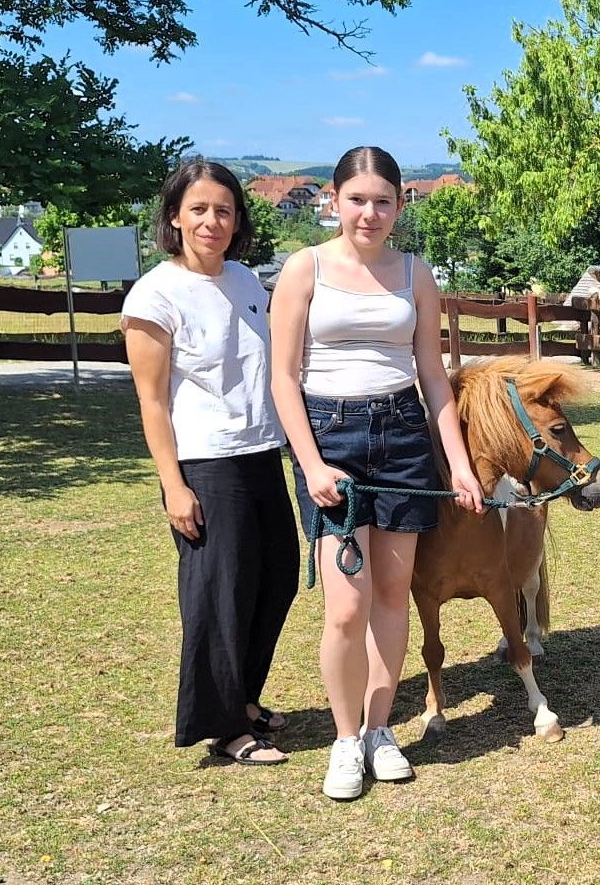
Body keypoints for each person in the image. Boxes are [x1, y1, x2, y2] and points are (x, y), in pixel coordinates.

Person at [270, 146, 485, 801]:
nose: (369, 213)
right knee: (346, 608)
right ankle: (343, 741)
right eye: (356, 199)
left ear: (399, 205)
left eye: (382, 201)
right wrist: (309, 464)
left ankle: (378, 730)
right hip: (330, 438)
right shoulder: (302, 270)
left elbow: (432, 378)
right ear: (333, 201)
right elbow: (281, 378)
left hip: (402, 438)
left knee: (393, 596)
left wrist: (459, 462)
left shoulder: (415, 275)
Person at [122, 160, 300, 767]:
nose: (211, 221)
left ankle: (243, 700)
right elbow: (150, 399)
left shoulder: (248, 282)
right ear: (174, 217)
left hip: (259, 453)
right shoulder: (154, 294)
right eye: (198, 209)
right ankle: (224, 728)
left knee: (275, 580)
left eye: (223, 210)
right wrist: (173, 485)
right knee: (218, 594)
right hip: (204, 461)